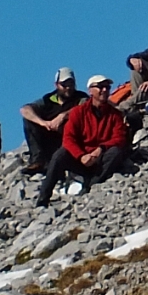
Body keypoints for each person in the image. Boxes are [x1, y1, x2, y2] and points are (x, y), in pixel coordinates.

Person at [36, 76, 131, 207]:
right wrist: (81, 156)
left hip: (101, 159)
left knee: (115, 152)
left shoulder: (115, 115)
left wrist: (101, 149)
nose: (104, 90)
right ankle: (43, 199)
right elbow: (69, 138)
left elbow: (119, 137)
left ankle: (92, 184)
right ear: (91, 90)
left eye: (107, 87)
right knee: (59, 155)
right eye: (100, 87)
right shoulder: (78, 112)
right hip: (82, 158)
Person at [19, 68, 84, 176]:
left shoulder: (81, 98)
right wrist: (43, 123)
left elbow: (84, 107)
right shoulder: (48, 100)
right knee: (29, 121)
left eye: (71, 84)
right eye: (64, 85)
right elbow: (25, 110)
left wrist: (63, 116)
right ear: (56, 85)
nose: (68, 88)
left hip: (70, 140)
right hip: (49, 137)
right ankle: (38, 161)